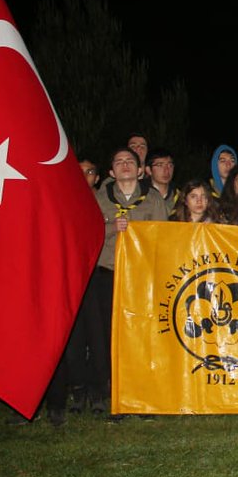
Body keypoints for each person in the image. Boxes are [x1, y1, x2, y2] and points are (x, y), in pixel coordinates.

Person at [79, 147, 166, 417]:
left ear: (140, 170)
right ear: (111, 172)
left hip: (139, 279)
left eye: (130, 161)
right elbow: (85, 233)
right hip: (106, 275)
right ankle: (102, 394)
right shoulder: (98, 199)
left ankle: (137, 395)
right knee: (102, 336)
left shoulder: (152, 199)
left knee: (137, 337)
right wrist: (109, 228)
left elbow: (162, 237)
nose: (125, 165)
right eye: (119, 162)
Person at [144, 148, 179, 217]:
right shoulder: (139, 193)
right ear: (148, 170)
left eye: (170, 165)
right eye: (160, 165)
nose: (166, 170)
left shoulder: (179, 197)